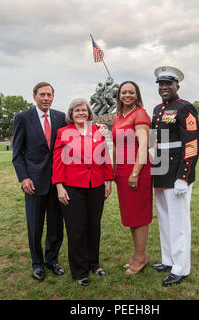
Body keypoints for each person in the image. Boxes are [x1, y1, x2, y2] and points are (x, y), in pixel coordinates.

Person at [52, 98, 114, 286]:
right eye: (77, 110)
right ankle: (80, 271)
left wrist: (108, 180)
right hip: (72, 187)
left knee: (93, 226)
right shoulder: (63, 132)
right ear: (71, 114)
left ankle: (94, 264)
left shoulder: (97, 132)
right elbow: (57, 161)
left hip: (95, 185)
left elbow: (104, 156)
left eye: (84, 110)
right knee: (76, 229)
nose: (81, 113)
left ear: (89, 113)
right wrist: (59, 186)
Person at [12, 82, 66, 282]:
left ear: (53, 97)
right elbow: (17, 154)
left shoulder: (61, 117)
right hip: (33, 182)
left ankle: (52, 260)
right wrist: (23, 177)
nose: (46, 98)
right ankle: (37, 264)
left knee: (56, 225)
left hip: (58, 182)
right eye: (42, 94)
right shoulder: (23, 118)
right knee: (35, 226)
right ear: (34, 96)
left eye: (49, 95)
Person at [151, 66, 199, 286]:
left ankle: (181, 268)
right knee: (164, 218)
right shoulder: (157, 109)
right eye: (161, 84)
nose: (163, 88)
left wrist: (184, 176)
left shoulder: (186, 108)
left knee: (179, 222)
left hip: (176, 173)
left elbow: (191, 144)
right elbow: (154, 141)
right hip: (160, 170)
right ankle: (168, 259)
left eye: (168, 84)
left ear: (177, 86)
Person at [111, 81, 153, 275]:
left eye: (131, 92)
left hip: (137, 170)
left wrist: (135, 173)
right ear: (119, 95)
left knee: (139, 216)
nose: (127, 95)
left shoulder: (140, 114)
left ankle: (140, 257)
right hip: (121, 171)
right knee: (130, 215)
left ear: (137, 95)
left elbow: (143, 146)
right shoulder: (119, 117)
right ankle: (138, 255)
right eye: (124, 92)